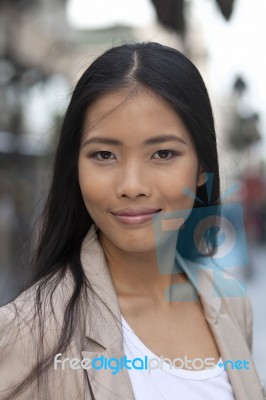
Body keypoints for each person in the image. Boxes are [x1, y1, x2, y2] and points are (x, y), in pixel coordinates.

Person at [0, 42, 265, 400]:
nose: (132, 186)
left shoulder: (231, 305)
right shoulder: (25, 334)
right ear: (74, 167)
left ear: (203, 168)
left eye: (163, 153)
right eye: (104, 154)